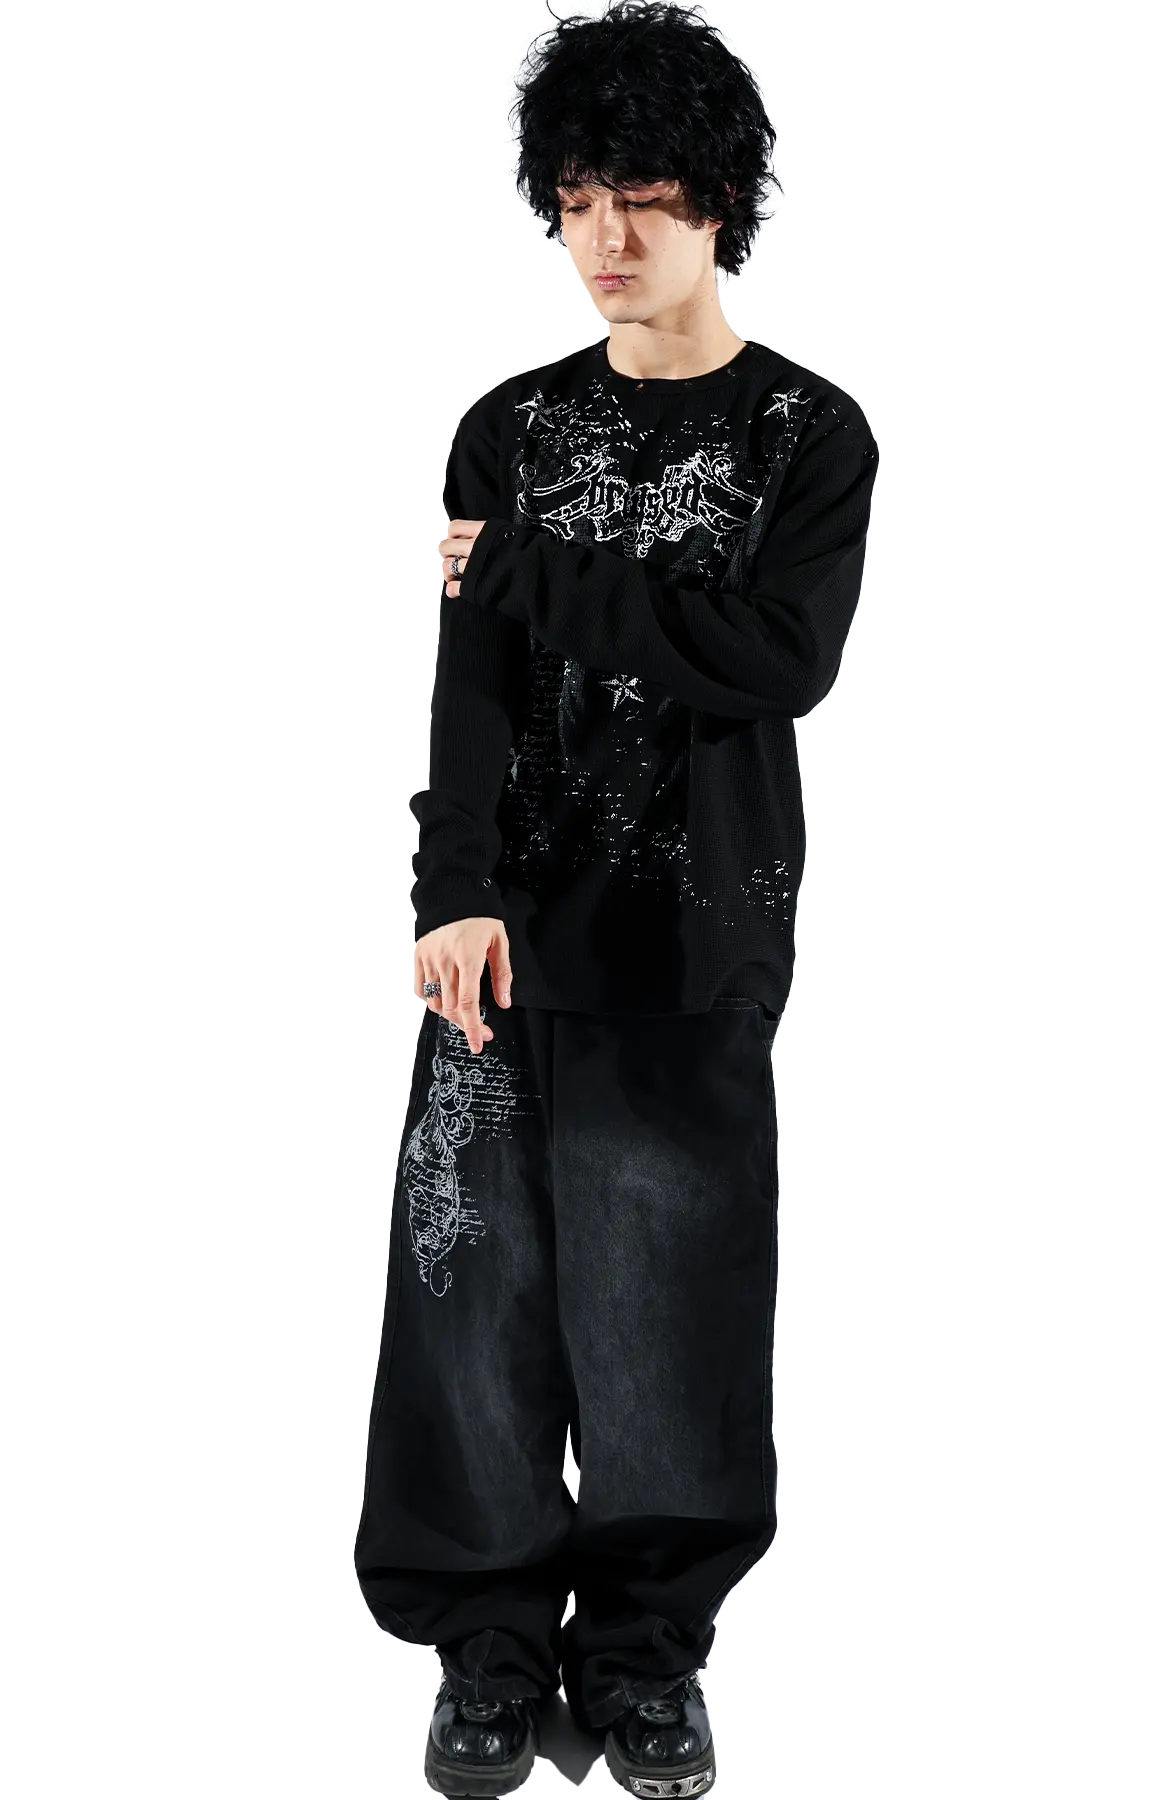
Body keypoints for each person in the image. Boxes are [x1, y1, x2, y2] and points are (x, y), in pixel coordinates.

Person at [354, 3, 878, 1793]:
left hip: (697, 929)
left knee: (672, 1304)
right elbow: (470, 692)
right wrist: (446, 887)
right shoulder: (502, 430)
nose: (607, 239)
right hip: (507, 928)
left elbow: (775, 660)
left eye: (644, 197)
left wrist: (533, 576)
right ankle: (487, 1643)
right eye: (577, 200)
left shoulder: (811, 433)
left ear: (723, 200)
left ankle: (650, 1649)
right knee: (472, 1295)